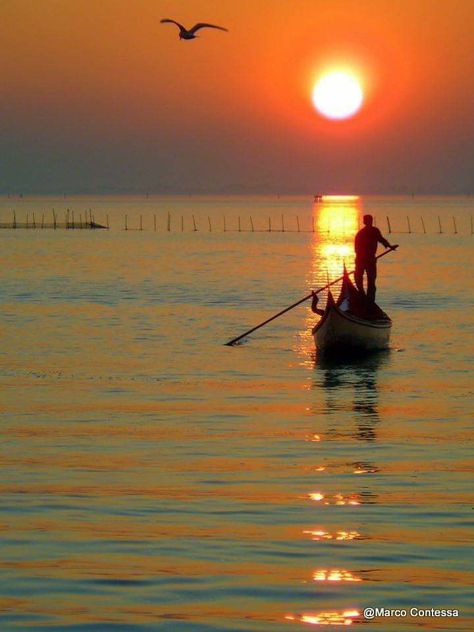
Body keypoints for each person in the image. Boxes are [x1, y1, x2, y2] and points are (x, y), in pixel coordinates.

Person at [354, 215, 398, 304]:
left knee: (370, 281)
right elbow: (357, 249)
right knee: (360, 278)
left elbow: (381, 240)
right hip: (363, 259)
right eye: (368, 220)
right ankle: (363, 296)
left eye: (370, 220)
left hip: (369, 260)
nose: (370, 222)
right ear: (365, 222)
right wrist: (361, 261)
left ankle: (369, 300)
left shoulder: (373, 231)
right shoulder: (362, 233)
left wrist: (389, 246)